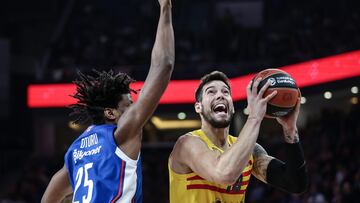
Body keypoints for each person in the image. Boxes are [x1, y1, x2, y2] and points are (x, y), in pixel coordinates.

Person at [41, 0, 174, 202]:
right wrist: (166, 8)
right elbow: (164, 65)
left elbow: (48, 198)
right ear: (111, 112)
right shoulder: (121, 135)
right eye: (129, 104)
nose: (134, 107)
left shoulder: (75, 152)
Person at [169, 71, 308, 202]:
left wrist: (290, 130)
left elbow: (295, 184)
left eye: (225, 92)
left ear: (232, 107)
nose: (220, 95)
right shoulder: (187, 144)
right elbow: (224, 173)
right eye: (211, 92)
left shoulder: (250, 150)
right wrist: (254, 117)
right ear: (198, 107)